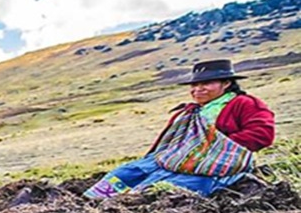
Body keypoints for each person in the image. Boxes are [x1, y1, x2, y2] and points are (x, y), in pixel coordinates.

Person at [84, 59, 275, 198]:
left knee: (165, 186)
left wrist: (209, 149)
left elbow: (262, 135)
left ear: (226, 83)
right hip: (176, 158)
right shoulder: (192, 111)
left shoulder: (245, 103)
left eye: (206, 83)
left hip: (217, 166)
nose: (198, 89)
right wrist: (183, 153)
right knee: (128, 172)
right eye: (194, 84)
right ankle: (91, 203)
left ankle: (126, 208)